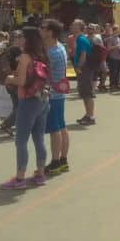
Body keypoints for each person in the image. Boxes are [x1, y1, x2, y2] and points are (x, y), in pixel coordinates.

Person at [0, 26, 49, 190]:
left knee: (21, 141)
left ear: (27, 39)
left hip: (27, 101)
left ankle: (20, 178)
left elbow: (20, 81)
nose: (18, 39)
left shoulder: (25, 57)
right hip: (42, 99)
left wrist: (9, 78)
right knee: (39, 138)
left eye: (21, 36)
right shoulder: (41, 55)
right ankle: (40, 174)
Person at [42, 20, 71, 176]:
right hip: (59, 92)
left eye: (43, 28)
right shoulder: (60, 47)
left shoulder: (52, 52)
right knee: (61, 126)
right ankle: (63, 160)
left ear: (50, 32)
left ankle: (55, 162)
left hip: (53, 93)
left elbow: (43, 73)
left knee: (55, 130)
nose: (41, 30)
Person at [71, 20, 96, 125]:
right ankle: (88, 115)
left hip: (84, 69)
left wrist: (78, 66)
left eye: (74, 25)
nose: (72, 26)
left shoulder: (81, 39)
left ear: (80, 27)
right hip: (85, 69)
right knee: (85, 93)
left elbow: (83, 54)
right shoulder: (80, 38)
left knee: (87, 93)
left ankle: (91, 116)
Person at [105, 25, 120, 90]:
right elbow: (108, 48)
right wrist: (116, 46)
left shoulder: (118, 38)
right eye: (117, 30)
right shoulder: (110, 38)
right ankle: (112, 85)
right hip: (113, 57)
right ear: (114, 30)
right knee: (113, 72)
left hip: (119, 57)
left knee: (118, 72)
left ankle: (117, 84)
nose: (119, 31)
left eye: (119, 30)